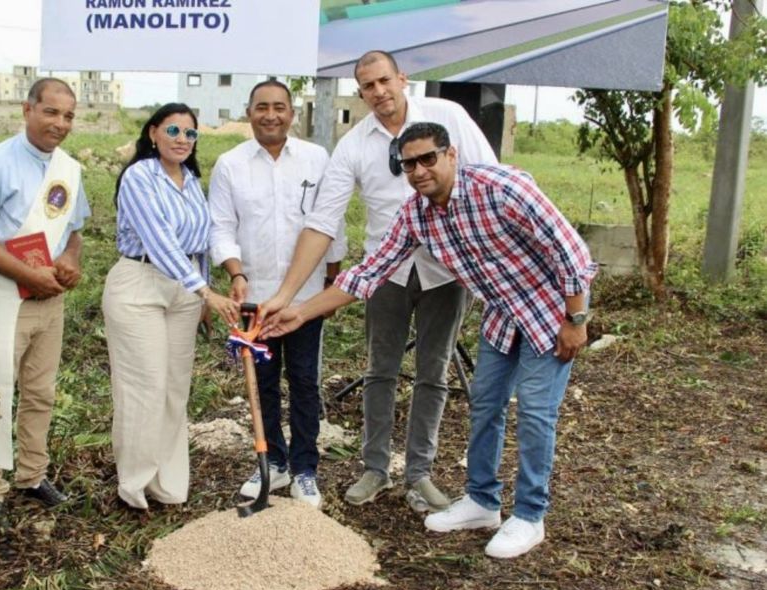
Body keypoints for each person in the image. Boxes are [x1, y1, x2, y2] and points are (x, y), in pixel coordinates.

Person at [262, 122, 598, 559]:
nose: (419, 171)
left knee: (535, 413)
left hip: (550, 314)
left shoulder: (503, 187)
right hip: (502, 316)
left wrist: (576, 318)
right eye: (409, 164)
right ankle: (482, 501)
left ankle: (531, 516)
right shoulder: (416, 214)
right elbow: (368, 274)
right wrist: (299, 313)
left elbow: (571, 252)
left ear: (450, 155)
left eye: (428, 159)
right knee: (485, 405)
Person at [259, 50, 497, 513]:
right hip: (384, 270)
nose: (378, 92)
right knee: (379, 369)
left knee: (435, 371)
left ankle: (420, 474)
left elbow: (489, 179)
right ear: (361, 92)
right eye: (367, 86)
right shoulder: (354, 144)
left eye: (384, 81)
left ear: (402, 78)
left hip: (447, 270)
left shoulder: (448, 117)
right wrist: (287, 296)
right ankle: (374, 468)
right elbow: (323, 221)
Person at [0, 78, 89, 527]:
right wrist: (27, 274)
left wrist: (70, 261)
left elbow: (74, 229)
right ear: (27, 109)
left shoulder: (68, 169)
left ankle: (32, 473)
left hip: (49, 299)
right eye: (51, 112)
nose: (60, 123)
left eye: (68, 115)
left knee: (41, 392)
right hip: (3, 293)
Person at [209, 80, 346, 508]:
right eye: (262, 107)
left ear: (292, 113)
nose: (271, 115)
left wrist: (332, 280)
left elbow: (331, 222)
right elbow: (222, 226)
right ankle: (274, 464)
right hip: (253, 299)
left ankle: (305, 469)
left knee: (305, 381)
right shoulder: (230, 165)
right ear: (249, 112)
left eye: (280, 107)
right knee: (262, 384)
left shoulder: (316, 158)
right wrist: (235, 271)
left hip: (304, 300)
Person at [103, 103, 240, 509]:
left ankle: (168, 483)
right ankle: (134, 484)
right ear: (153, 134)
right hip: (139, 285)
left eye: (190, 133)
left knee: (175, 388)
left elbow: (199, 242)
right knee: (144, 387)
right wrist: (207, 294)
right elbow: (159, 240)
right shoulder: (139, 176)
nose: (182, 139)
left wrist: (202, 293)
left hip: (183, 293)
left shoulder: (193, 179)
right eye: (174, 130)